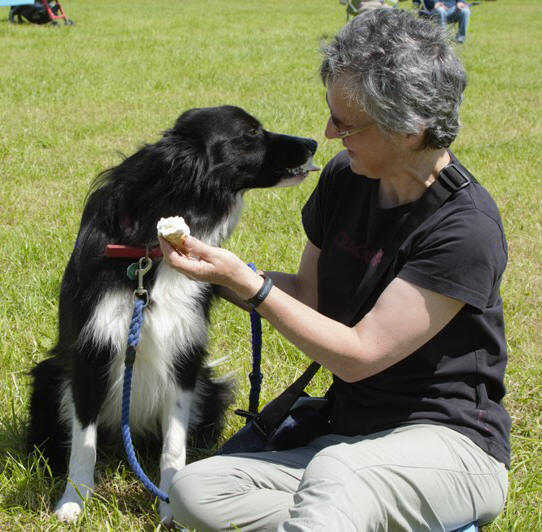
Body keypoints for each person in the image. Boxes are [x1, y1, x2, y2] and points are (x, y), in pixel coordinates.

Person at [160, 9, 510, 531]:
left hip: (451, 449)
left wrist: (249, 285)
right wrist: (217, 274)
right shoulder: (347, 178)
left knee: (339, 474)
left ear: (410, 130)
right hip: (348, 440)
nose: (327, 133)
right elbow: (309, 295)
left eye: (345, 123)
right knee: (196, 491)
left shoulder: (465, 229)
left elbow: (359, 357)